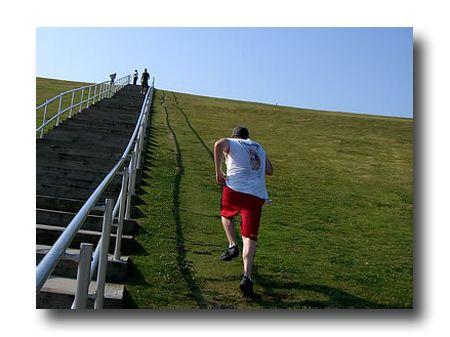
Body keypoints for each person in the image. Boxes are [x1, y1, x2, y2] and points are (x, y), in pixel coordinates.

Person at [213, 126, 273, 299]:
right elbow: (269, 170)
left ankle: (232, 245)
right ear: (249, 137)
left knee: (226, 215)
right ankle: (247, 277)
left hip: (235, 189)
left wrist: (218, 173)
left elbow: (218, 144)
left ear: (235, 135)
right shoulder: (259, 147)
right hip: (256, 195)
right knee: (250, 237)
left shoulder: (231, 142)